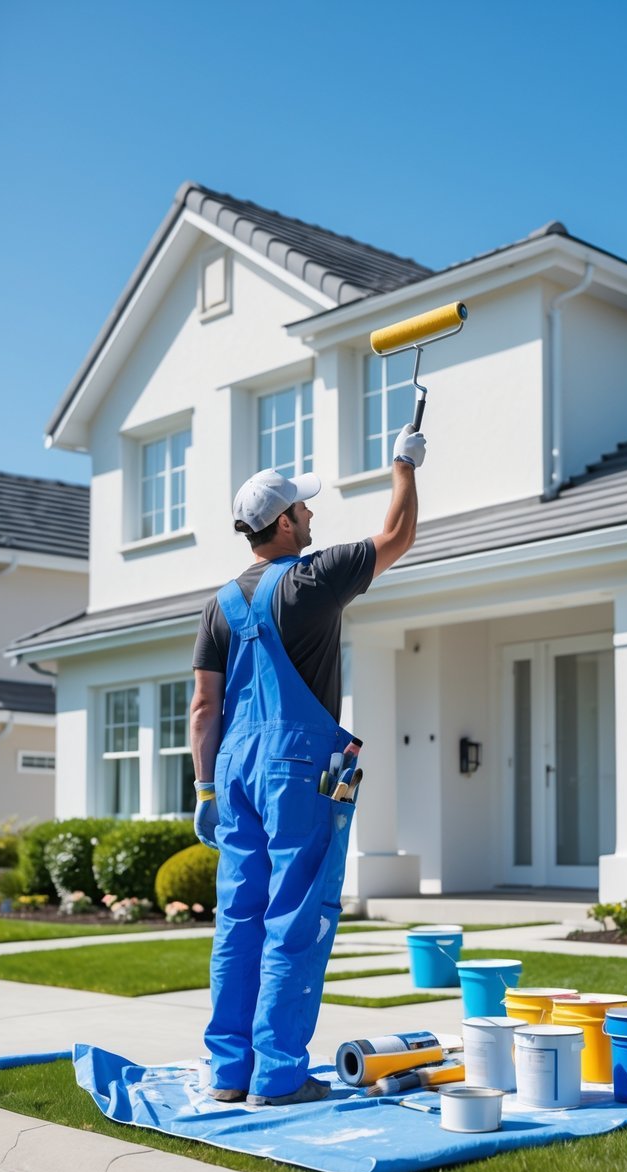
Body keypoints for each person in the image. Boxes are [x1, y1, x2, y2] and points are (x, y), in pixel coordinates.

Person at [189, 423, 426, 1106]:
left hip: (233, 770)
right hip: (296, 766)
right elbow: (397, 537)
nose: (313, 513)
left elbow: (205, 708)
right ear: (285, 524)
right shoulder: (314, 579)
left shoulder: (219, 605)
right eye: (303, 507)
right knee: (294, 915)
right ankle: (278, 1075)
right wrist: (403, 467)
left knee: (238, 918)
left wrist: (205, 788)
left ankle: (228, 1073)